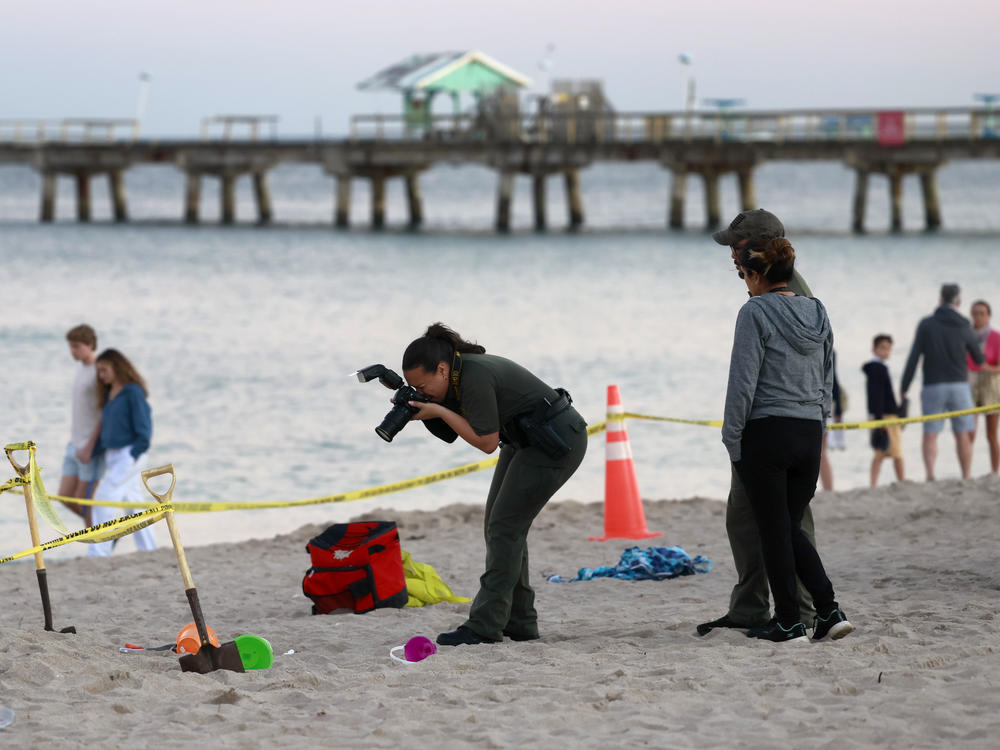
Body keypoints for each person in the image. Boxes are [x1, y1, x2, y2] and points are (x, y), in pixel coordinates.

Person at [400, 323, 587, 646]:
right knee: (499, 526)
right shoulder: (458, 376)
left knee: (505, 527)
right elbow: (464, 429)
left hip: (555, 442)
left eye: (422, 384)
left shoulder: (473, 376)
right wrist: (430, 409)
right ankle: (520, 621)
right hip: (522, 440)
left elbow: (485, 442)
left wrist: (439, 411)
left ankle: (485, 626)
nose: (421, 391)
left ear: (442, 369)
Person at [721, 237, 852, 643]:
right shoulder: (817, 311)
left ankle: (790, 621)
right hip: (808, 433)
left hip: (768, 434)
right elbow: (827, 375)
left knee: (775, 529)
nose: (744, 281)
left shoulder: (754, 312)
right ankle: (828, 612)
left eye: (743, 273)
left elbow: (742, 384)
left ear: (757, 274)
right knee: (788, 527)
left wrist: (731, 438)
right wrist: (821, 425)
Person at [698, 209, 820, 638]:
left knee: (789, 522)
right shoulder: (772, 290)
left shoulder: (778, 296)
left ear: (756, 249)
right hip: (783, 427)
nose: (730, 254)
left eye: (736, 246)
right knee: (745, 518)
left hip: (769, 431)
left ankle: (802, 611)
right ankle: (751, 607)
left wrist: (734, 436)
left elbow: (750, 377)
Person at [900, 284, 984, 481]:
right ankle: (966, 475)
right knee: (963, 433)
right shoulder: (965, 325)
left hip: (933, 385)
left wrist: (904, 387)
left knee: (930, 433)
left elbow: (914, 357)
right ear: (958, 301)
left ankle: (930, 475)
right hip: (959, 386)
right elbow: (979, 359)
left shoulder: (927, 324)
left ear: (940, 299)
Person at [88, 349, 158, 556]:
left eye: (104, 370)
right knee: (134, 505)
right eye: (99, 371)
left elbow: (144, 427)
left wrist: (134, 454)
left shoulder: (133, 392)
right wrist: (92, 452)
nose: (101, 375)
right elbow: (111, 429)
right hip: (113, 455)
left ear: (117, 367)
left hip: (129, 454)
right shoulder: (110, 394)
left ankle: (98, 552)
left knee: (103, 498)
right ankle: (150, 550)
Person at [58, 324, 106, 524]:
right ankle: (105, 533)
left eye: (77, 346)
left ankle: (98, 548)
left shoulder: (99, 372)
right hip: (74, 444)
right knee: (65, 497)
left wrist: (90, 446)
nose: (72, 351)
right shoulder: (81, 369)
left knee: (85, 501)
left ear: (90, 345)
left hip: (90, 447)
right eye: (70, 346)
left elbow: (105, 412)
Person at [862, 334, 905, 486]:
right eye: (883, 348)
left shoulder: (875, 369)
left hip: (878, 416)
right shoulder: (879, 369)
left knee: (879, 453)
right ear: (874, 349)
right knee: (897, 453)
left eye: (888, 349)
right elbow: (878, 396)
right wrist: (880, 419)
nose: (886, 352)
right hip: (885, 416)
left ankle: (873, 484)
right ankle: (902, 481)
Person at [968, 300, 1000, 474]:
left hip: (991, 385)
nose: (978, 317)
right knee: (969, 433)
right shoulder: (966, 335)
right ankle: (968, 472)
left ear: (988, 316)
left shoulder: (996, 337)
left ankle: (995, 471)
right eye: (975, 313)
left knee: (992, 434)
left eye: (982, 313)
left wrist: (988, 368)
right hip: (971, 384)